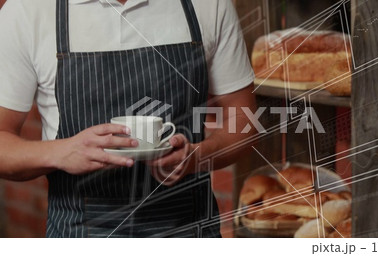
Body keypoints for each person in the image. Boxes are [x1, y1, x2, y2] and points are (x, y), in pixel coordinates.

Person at [0, 0, 256, 237]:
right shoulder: (28, 10)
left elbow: (244, 123)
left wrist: (195, 157)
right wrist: (61, 152)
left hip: (190, 230)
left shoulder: (208, 4)